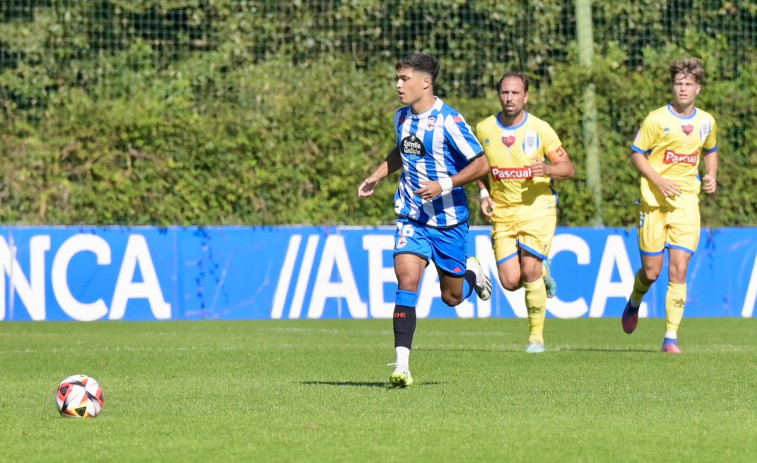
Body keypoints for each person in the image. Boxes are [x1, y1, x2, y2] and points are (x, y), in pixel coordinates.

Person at [358, 53, 493, 387]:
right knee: (406, 280)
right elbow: (403, 150)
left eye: (405, 79)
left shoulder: (449, 121)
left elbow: (481, 163)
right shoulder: (401, 118)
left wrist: (444, 184)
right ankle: (402, 366)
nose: (399, 85)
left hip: (448, 221)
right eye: (398, 78)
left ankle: (471, 270)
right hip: (411, 215)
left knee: (451, 297)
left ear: (425, 82)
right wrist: (377, 175)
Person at [622, 57, 718, 353]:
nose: (683, 89)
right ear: (672, 87)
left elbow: (710, 151)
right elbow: (637, 153)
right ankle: (635, 300)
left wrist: (711, 175)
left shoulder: (706, 122)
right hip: (653, 203)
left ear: (698, 89)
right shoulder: (656, 120)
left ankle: (670, 338)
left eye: (688, 84)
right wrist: (659, 180)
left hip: (686, 203)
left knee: (679, 269)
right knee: (651, 272)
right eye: (678, 84)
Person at [475, 71, 575, 353]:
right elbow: (477, 168)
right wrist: (484, 194)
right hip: (503, 212)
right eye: (505, 93)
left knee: (528, 269)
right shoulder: (484, 130)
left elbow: (568, 169)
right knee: (509, 281)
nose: (509, 98)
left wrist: (548, 169)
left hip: (537, 209)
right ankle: (544, 270)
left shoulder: (541, 130)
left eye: (515, 93)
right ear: (499, 95)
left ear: (526, 97)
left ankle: (536, 338)